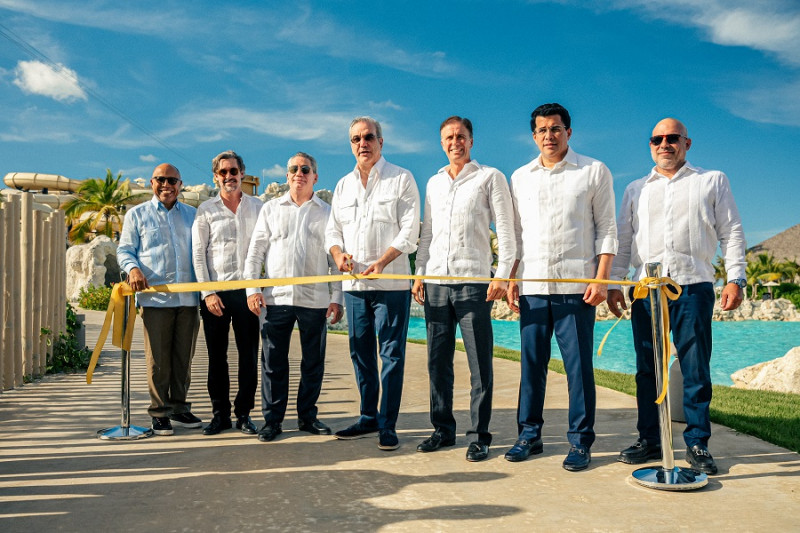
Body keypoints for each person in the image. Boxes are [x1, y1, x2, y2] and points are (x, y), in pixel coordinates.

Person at [608, 118, 746, 475]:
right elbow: (624, 242)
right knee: (646, 369)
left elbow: (731, 232)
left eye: (672, 138)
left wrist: (736, 279)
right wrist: (612, 283)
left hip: (693, 285)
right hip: (645, 289)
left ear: (687, 143)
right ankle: (650, 438)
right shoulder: (635, 189)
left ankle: (697, 442)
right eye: (657, 139)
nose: (664, 144)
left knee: (695, 367)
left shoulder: (711, 180)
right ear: (650, 144)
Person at [505, 103, 617, 471]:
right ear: (533, 136)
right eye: (542, 130)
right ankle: (528, 436)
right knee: (531, 365)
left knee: (578, 369)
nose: (549, 136)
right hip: (534, 285)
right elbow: (516, 236)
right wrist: (511, 279)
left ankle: (581, 442)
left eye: (555, 129)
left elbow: (607, 230)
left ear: (569, 132)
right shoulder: (520, 177)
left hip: (576, 287)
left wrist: (601, 279)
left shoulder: (593, 171)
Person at [412, 116, 515, 462]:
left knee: (479, 363)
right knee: (437, 363)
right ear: (441, 143)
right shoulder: (434, 183)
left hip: (473, 282)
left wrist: (502, 274)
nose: (455, 142)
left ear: (471, 141)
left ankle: (479, 435)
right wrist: (420, 274)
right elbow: (427, 235)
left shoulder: (490, 177)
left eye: (461, 136)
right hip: (437, 283)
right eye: (448, 137)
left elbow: (506, 229)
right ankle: (442, 429)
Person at [325, 116, 420, 451]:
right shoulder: (342, 186)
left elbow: (410, 231)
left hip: (392, 285)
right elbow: (332, 232)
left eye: (368, 137)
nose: (362, 143)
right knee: (360, 353)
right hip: (354, 288)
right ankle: (367, 417)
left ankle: (387, 424)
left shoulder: (402, 179)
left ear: (381, 141)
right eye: (355, 139)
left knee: (391, 354)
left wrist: (383, 260)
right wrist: (338, 254)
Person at [244, 152, 344, 442]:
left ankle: (307, 418)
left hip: (315, 301)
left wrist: (336, 297)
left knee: (313, 361)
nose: (298, 173)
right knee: (273, 362)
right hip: (276, 299)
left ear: (315, 176)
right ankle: (272, 421)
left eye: (305, 169)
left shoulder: (328, 213)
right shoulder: (271, 209)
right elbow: (255, 253)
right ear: (287, 176)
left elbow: (334, 258)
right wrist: (252, 289)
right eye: (293, 169)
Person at [117, 163, 201, 436]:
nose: (167, 185)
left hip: (188, 299)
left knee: (183, 359)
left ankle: (179, 407)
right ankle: (159, 412)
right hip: (156, 302)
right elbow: (125, 251)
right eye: (161, 180)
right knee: (158, 360)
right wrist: (134, 269)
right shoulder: (137, 215)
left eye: (173, 181)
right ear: (152, 183)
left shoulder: (193, 215)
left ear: (180, 184)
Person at [192, 150, 263, 436]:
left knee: (248, 356)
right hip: (216, 295)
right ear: (215, 177)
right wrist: (208, 293)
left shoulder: (258, 207)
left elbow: (263, 251)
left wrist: (257, 288)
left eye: (233, 171)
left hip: (247, 293)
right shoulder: (205, 210)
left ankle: (244, 414)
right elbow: (198, 254)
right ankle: (219, 415)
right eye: (223, 172)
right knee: (216, 357)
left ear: (242, 174)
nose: (229, 177)